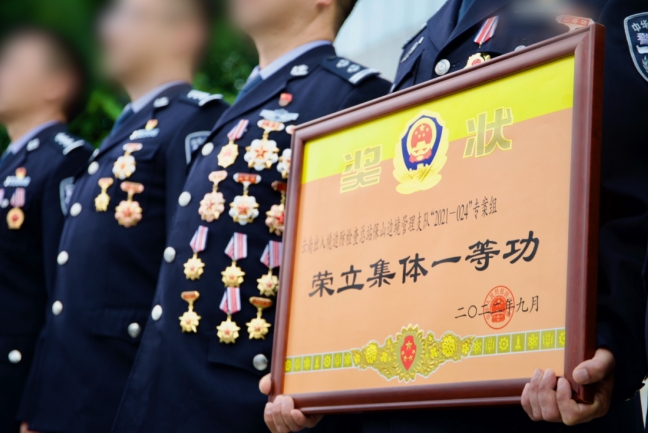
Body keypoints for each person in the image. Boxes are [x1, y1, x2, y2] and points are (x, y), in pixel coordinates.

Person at [262, 0, 648, 432]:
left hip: (541, 396)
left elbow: (634, 182)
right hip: (416, 400)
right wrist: (320, 378)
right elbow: (394, 226)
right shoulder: (428, 33)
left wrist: (614, 343)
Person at [110, 0, 390, 431]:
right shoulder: (246, 101)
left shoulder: (350, 95)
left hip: (245, 398)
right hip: (177, 386)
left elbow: (359, 258)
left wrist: (317, 383)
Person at [17, 0, 228, 431]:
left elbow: (189, 280)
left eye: (129, 15)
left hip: (124, 395)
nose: (108, 30)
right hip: (70, 397)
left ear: (183, 32)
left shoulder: (195, 121)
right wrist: (38, 406)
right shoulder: (123, 133)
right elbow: (66, 293)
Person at [0, 27, 93, 433]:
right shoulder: (10, 164)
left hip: (21, 389)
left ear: (56, 84)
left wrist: (45, 407)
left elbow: (68, 297)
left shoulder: (66, 162)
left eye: (10, 63)